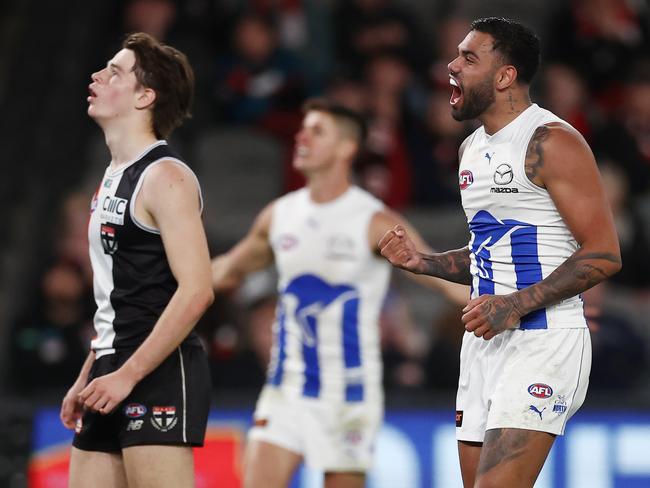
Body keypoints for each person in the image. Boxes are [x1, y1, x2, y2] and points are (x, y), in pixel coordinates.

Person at [379, 17, 621, 488]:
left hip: (543, 338)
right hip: (486, 339)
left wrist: (514, 305)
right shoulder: (471, 148)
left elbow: (604, 253)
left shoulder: (552, 141)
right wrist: (423, 263)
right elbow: (491, 252)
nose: (451, 66)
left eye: (468, 58)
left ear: (505, 75)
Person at [211, 98, 468, 488]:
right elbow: (228, 271)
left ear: (347, 148)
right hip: (287, 389)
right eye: (302, 129)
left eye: (316, 131)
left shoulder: (372, 220)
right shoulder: (280, 215)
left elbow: (436, 277)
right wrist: (168, 283)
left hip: (348, 396)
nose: (302, 137)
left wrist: (513, 307)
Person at [59, 33, 214, 488]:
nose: (97, 76)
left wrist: (127, 375)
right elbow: (118, 294)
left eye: (115, 72)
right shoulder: (111, 176)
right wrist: (90, 372)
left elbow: (197, 290)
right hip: (113, 367)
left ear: (146, 96)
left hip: (158, 370)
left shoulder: (165, 176)